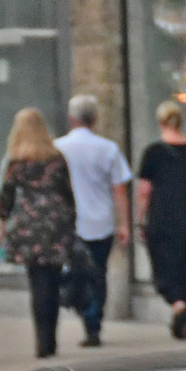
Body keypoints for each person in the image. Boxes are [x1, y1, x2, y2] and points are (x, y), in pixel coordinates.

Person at [0, 108, 78, 360]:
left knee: (36, 283)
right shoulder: (56, 158)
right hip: (54, 224)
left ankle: (41, 340)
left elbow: (5, 197)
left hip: (28, 226)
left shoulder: (17, 161)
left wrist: (4, 216)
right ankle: (51, 337)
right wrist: (70, 220)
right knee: (51, 281)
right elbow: (67, 193)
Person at [136, 101, 186, 338]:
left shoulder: (152, 153)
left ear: (160, 122)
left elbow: (144, 191)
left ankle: (177, 302)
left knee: (164, 263)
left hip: (163, 217)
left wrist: (139, 220)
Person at [54, 94, 132, 347]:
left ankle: (86, 315)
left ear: (71, 118)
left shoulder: (58, 148)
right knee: (98, 273)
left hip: (70, 225)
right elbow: (119, 190)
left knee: (75, 274)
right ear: (95, 118)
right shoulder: (108, 148)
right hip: (101, 223)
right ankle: (94, 319)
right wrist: (124, 224)